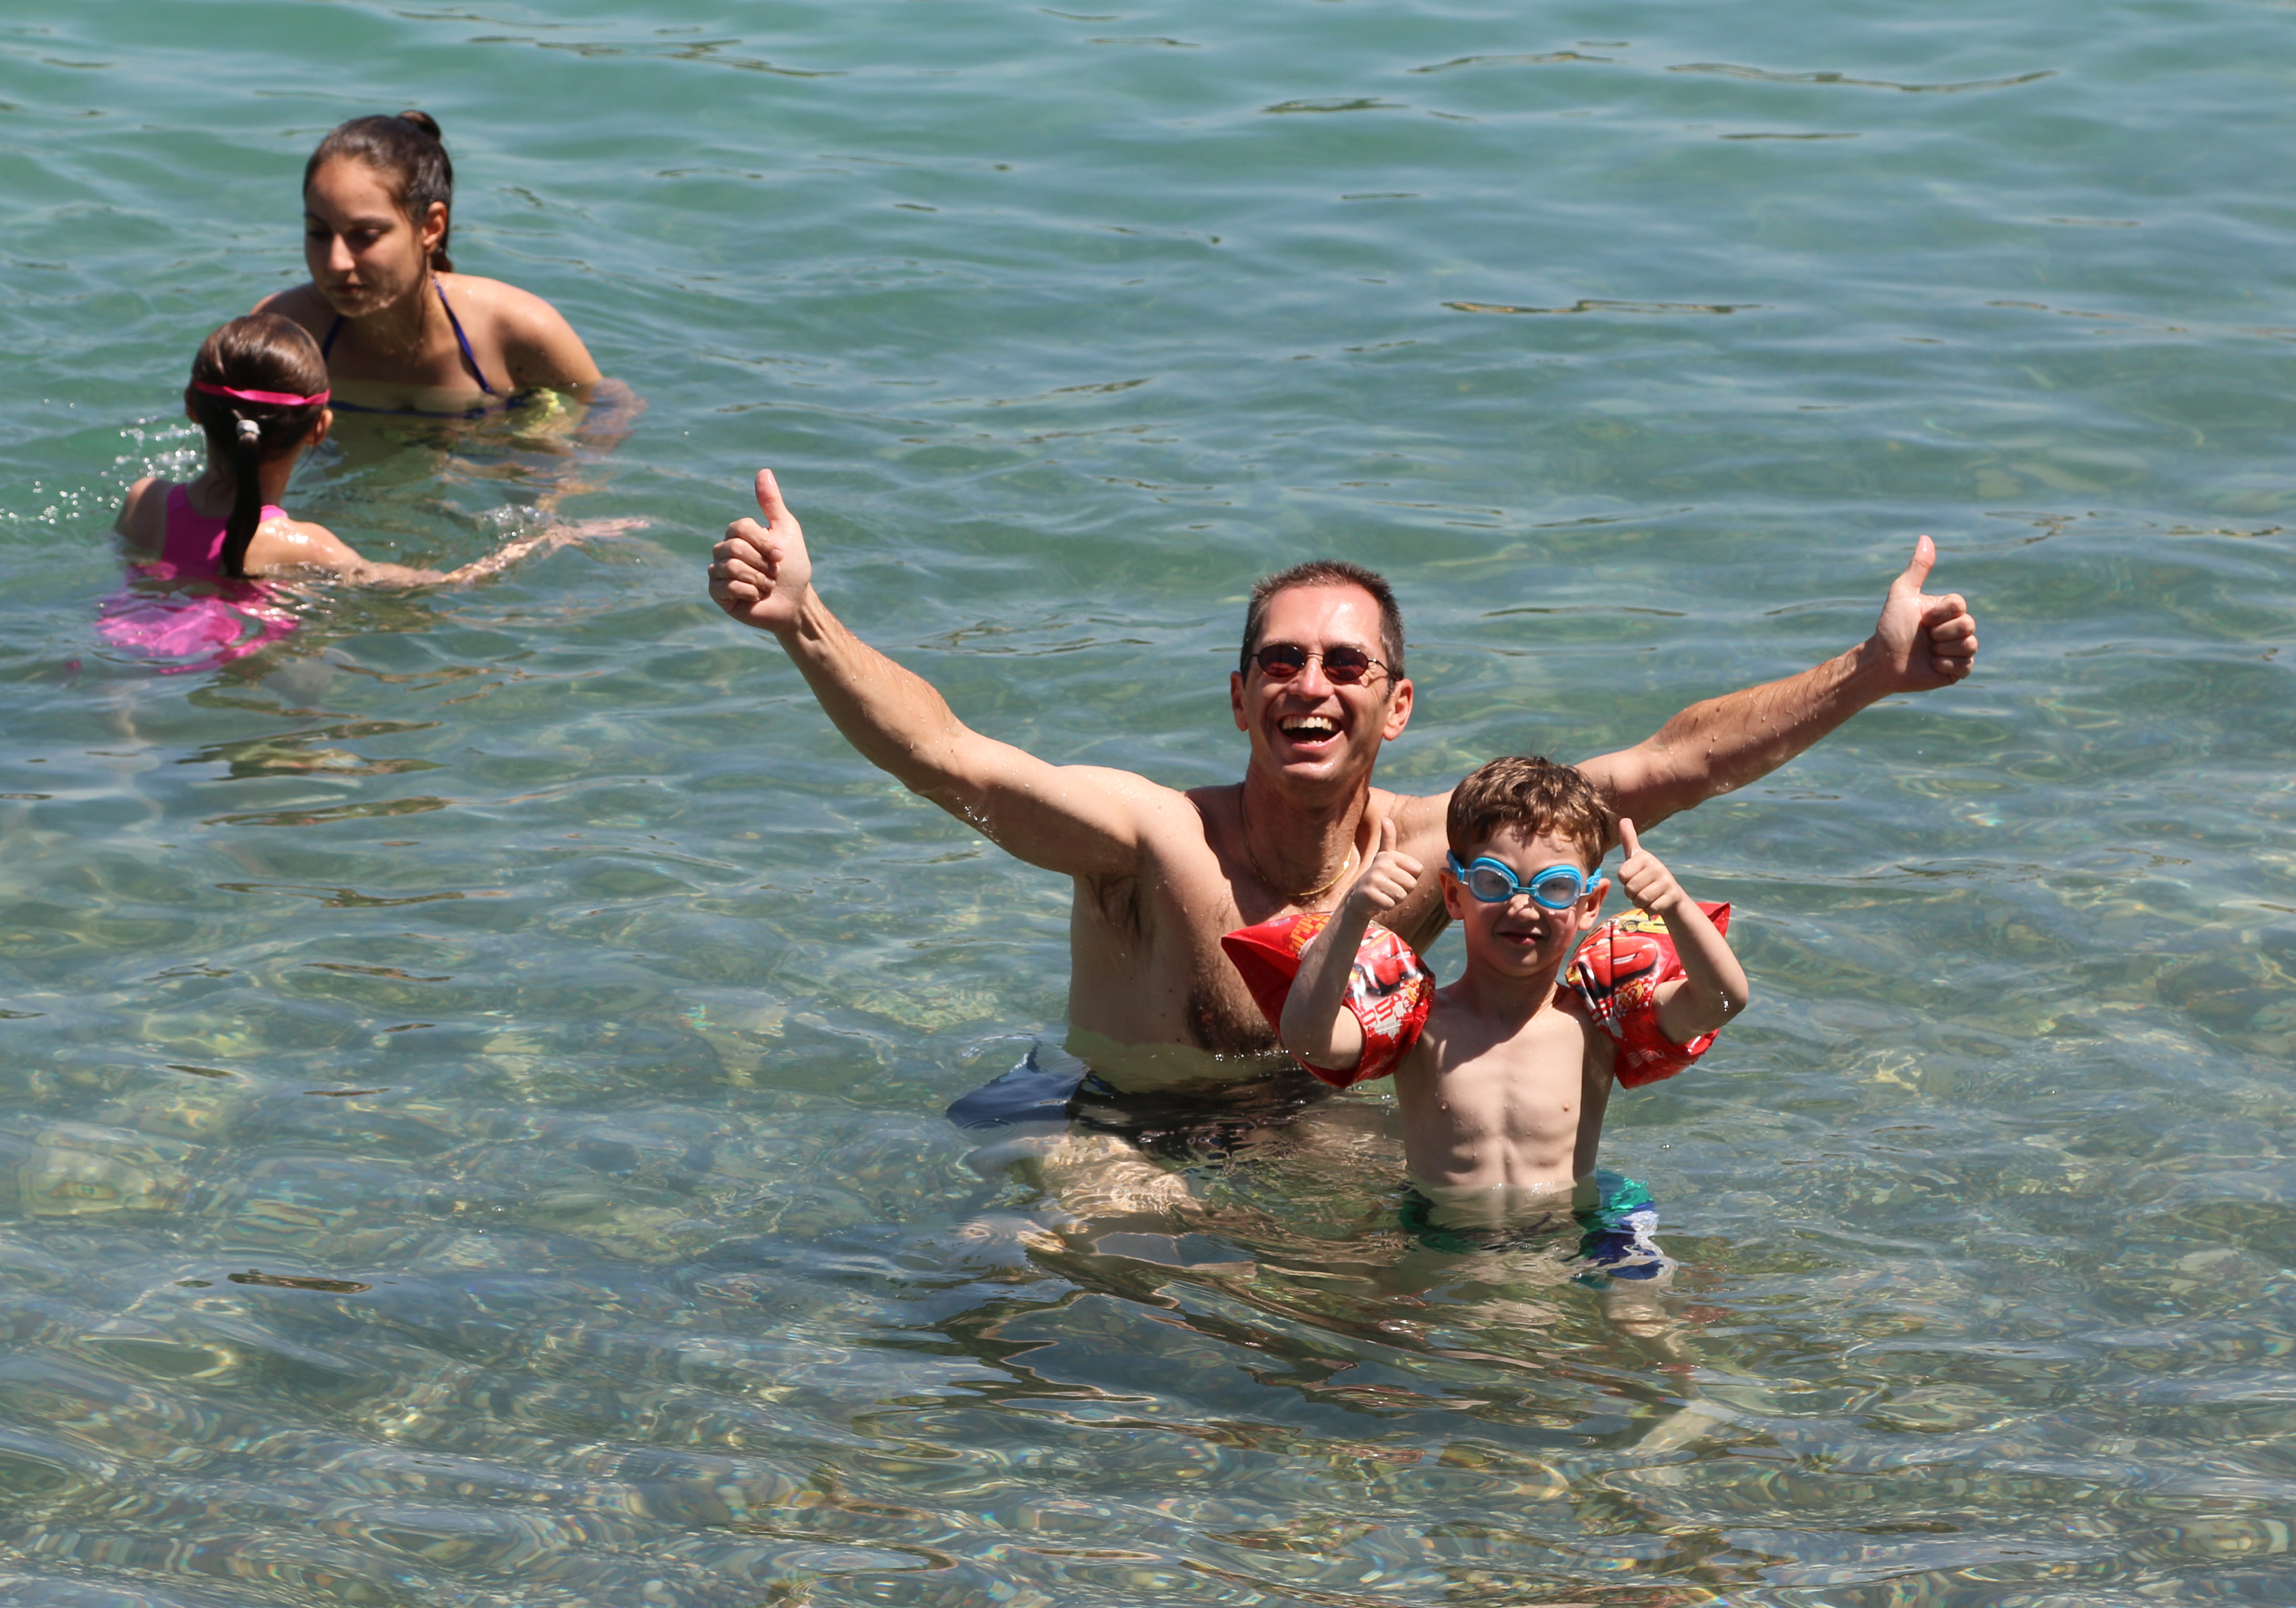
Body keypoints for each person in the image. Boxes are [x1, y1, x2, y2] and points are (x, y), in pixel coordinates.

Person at [705, 469, 1972, 1113]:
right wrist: (803, 623)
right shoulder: (1150, 840)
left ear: (1395, 704)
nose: (1309, 684)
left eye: (1343, 664)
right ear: (1239, 697)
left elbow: (1672, 763)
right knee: (1038, 1283)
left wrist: (1867, 674)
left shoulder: (1449, 844)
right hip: (1122, 1134)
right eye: (1279, 661)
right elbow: (949, 757)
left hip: (1313, 1139)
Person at [1236, 756, 1743, 1271]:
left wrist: (1675, 905)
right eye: (1495, 882)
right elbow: (1308, 1039)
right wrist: (1353, 912)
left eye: (1555, 887)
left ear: (1589, 905)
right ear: (1453, 894)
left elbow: (1722, 1000)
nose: (1523, 907)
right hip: (1441, 1229)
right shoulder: (1421, 1024)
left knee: (1641, 1315)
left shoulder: (1595, 1022)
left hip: (1578, 1226)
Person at [104, 315, 638, 667]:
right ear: (320, 429)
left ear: (193, 409)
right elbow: (442, 587)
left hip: (123, 641)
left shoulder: (144, 501)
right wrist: (546, 540)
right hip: (231, 666)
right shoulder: (306, 546)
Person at [252, 111, 603, 416]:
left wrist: (545, 460)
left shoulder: (518, 330)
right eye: (318, 233)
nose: (336, 263)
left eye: (366, 235)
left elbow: (607, 412)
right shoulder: (284, 333)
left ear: (431, 228)